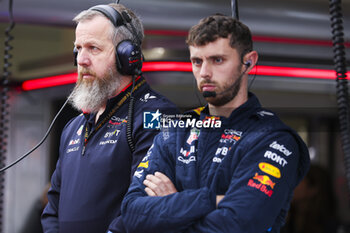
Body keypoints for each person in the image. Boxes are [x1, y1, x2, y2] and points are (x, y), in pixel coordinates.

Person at [121, 14, 310, 233]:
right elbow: (132, 213)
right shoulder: (176, 129)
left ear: (248, 62)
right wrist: (212, 200)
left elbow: (237, 225)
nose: (204, 73)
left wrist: (173, 205)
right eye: (197, 61)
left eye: (217, 60)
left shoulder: (273, 138)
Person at [41, 3, 178, 233]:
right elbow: (52, 206)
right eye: (78, 49)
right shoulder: (73, 127)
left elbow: (145, 204)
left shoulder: (157, 115)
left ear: (128, 55)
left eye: (93, 48)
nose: (81, 60)